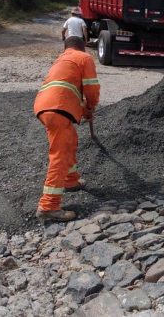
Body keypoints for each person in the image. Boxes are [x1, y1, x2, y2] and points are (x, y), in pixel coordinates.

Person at [33, 36, 100, 222]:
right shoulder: (83, 58)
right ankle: (49, 206)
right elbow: (91, 89)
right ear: (83, 47)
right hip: (58, 107)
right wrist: (89, 109)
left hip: (44, 106)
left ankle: (71, 181)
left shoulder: (61, 59)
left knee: (70, 141)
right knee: (60, 155)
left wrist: (83, 110)